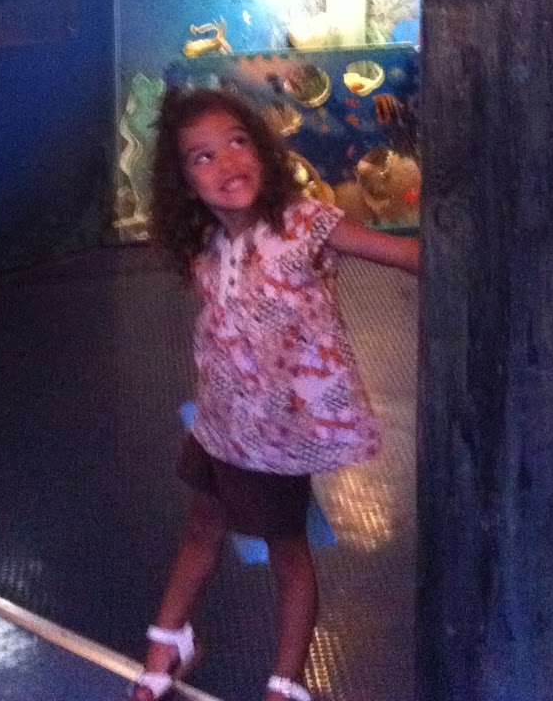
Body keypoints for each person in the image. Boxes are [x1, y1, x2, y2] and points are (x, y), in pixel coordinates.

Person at [129, 86, 421, 701]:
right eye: (203, 157)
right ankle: (169, 642)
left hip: (276, 438)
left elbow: (400, 252)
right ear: (185, 183)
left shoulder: (306, 223)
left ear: (262, 149)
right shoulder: (208, 245)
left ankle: (286, 683)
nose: (227, 162)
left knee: (287, 551)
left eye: (237, 142)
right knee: (201, 524)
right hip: (219, 424)